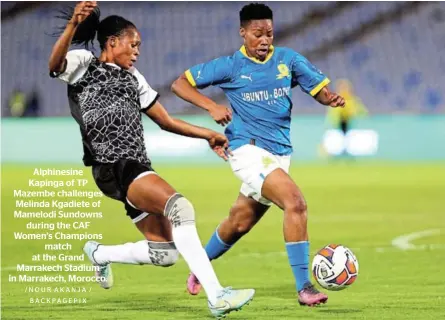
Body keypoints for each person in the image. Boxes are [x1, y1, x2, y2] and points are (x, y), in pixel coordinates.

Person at [48, 2, 254, 317]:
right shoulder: (83, 63)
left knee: (165, 253)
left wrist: (207, 134)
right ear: (112, 42)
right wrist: (73, 26)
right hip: (112, 165)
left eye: (139, 46)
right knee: (180, 208)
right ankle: (217, 296)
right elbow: (54, 65)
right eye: (133, 44)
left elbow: (166, 121)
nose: (137, 51)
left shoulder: (135, 79)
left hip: (136, 168)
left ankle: (99, 253)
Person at [171, 3, 345, 307]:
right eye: (257, 34)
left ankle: (200, 268)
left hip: (280, 155)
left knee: (239, 221)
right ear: (243, 33)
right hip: (247, 150)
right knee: (296, 203)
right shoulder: (229, 66)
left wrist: (328, 98)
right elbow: (179, 84)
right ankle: (304, 287)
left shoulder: (287, 60)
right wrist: (210, 106)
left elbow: (317, 88)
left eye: (269, 34)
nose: (265, 40)